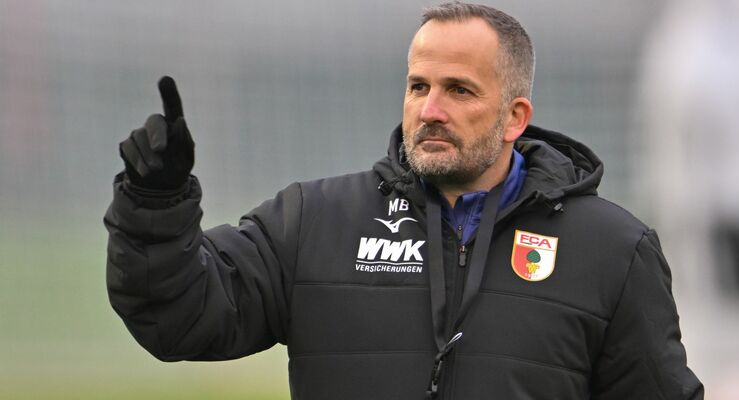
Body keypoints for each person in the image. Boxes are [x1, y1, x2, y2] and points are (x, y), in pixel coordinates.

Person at [105, 2, 703, 399]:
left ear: (515, 116)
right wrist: (154, 204)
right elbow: (181, 318)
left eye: (458, 90)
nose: (430, 109)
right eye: (418, 86)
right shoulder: (315, 222)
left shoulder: (613, 250)